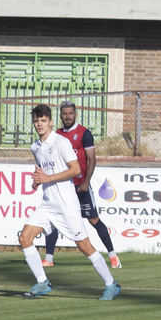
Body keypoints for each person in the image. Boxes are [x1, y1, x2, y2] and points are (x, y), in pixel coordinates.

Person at [19, 104, 121, 300]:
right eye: (36, 121)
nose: (39, 124)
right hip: (48, 204)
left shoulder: (61, 142)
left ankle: (111, 284)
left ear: (50, 122)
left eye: (43, 120)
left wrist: (47, 178)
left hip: (67, 204)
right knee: (25, 238)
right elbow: (44, 172)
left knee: (84, 246)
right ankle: (42, 282)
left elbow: (75, 170)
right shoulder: (35, 146)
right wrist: (37, 180)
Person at [41, 100, 121, 269]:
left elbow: (92, 159)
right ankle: (49, 258)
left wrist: (86, 182)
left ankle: (113, 255)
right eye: (64, 114)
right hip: (63, 186)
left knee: (93, 220)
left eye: (70, 113)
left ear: (75, 114)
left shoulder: (84, 133)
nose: (67, 116)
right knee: (53, 220)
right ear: (60, 116)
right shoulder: (56, 135)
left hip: (80, 186)